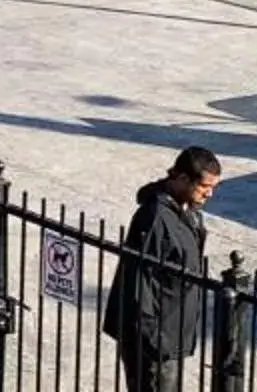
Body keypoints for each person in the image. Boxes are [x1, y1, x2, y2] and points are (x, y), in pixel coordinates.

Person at [101, 146, 218, 392]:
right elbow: (141, 284)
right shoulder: (155, 219)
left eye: (213, 187)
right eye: (204, 186)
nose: (210, 194)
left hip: (170, 331)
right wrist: (156, 345)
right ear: (182, 178)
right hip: (154, 341)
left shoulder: (187, 211)